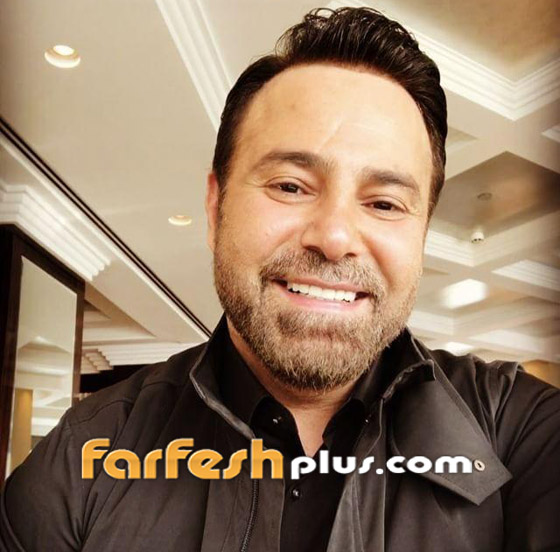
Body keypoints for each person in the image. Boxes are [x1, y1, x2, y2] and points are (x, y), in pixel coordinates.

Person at [1, 7, 559, 552]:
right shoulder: (82, 458)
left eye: (385, 203)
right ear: (216, 207)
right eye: (290, 186)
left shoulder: (519, 429)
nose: (334, 237)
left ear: (422, 234)